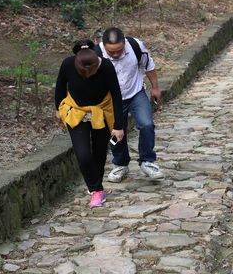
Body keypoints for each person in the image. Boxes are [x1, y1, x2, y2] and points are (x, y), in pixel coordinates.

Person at [55, 40, 124, 208]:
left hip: (101, 111)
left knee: (99, 153)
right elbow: (60, 88)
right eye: (82, 72)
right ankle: (96, 190)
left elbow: (116, 96)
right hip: (76, 112)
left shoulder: (106, 66)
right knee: (83, 154)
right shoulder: (68, 64)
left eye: (90, 71)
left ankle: (96, 184)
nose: (87, 75)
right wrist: (58, 109)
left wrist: (118, 126)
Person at [99, 27, 165, 181]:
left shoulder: (136, 46)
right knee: (116, 131)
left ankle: (147, 161)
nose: (116, 54)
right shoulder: (97, 53)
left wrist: (155, 87)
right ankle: (120, 164)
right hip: (111, 100)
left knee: (147, 124)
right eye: (111, 52)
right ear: (104, 46)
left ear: (125, 43)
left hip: (135, 93)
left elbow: (148, 66)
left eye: (119, 50)